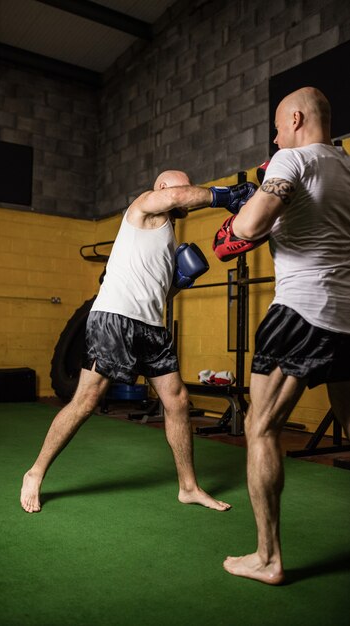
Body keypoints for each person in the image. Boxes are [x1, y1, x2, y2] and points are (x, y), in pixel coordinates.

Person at [21, 170, 254, 514]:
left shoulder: (167, 238)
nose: (186, 192)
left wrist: (182, 281)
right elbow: (178, 198)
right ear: (162, 188)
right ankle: (35, 472)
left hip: (151, 327)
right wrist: (225, 196)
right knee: (87, 400)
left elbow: (162, 293)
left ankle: (188, 487)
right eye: (181, 186)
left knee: (177, 400)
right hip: (115, 318)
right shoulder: (143, 207)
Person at [215, 87, 350, 584]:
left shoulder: (289, 160)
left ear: (295, 119)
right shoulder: (347, 167)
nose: (274, 138)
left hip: (300, 309)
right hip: (348, 316)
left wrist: (241, 215)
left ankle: (268, 558)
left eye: (276, 127)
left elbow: (246, 229)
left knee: (261, 429)